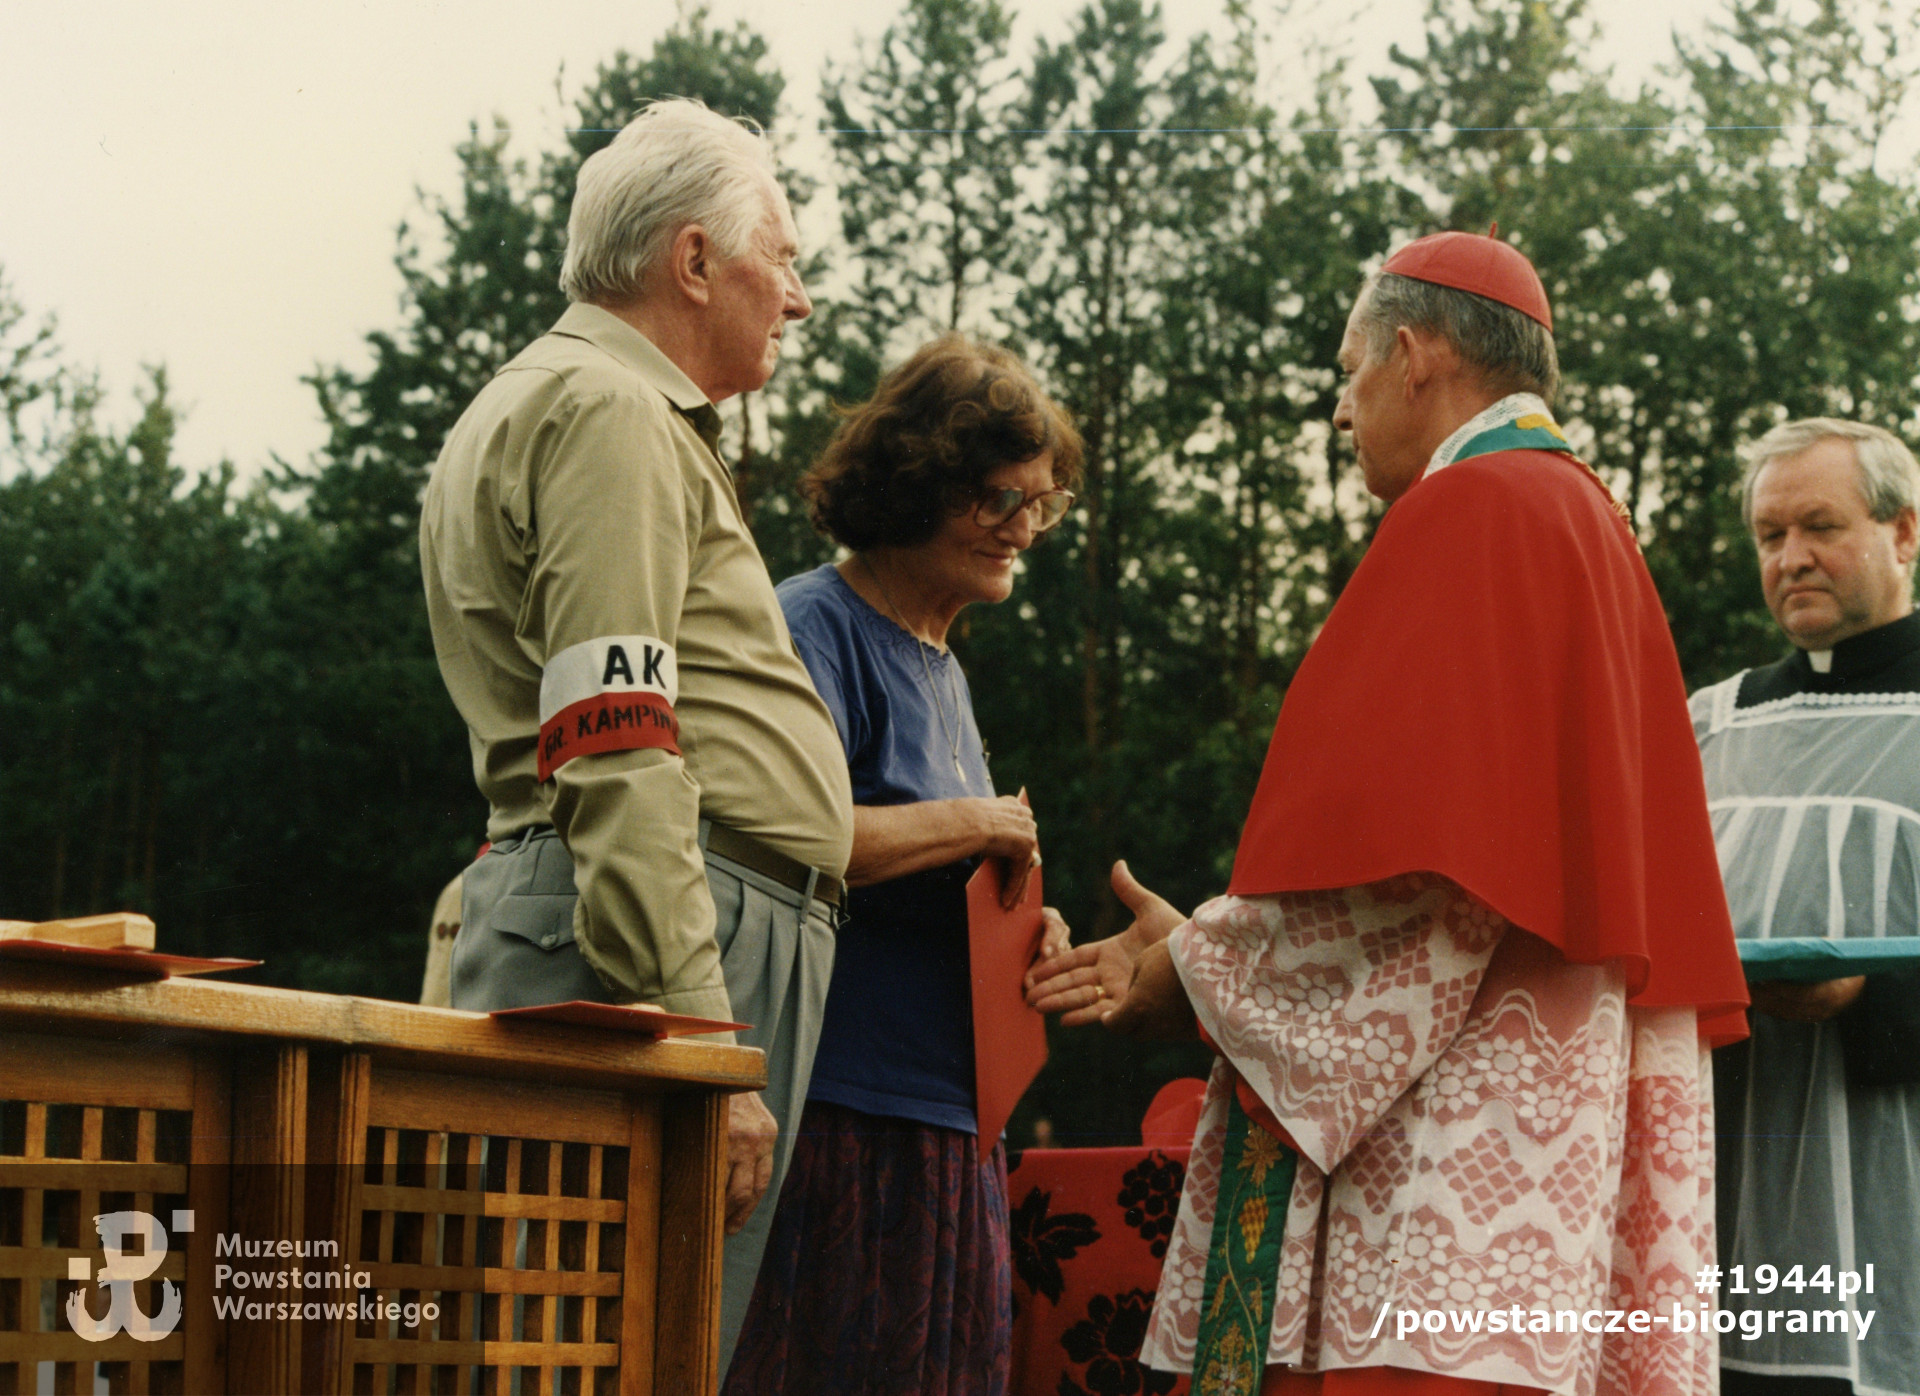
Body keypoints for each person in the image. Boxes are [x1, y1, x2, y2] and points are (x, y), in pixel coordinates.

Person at [1029, 230, 1748, 1395]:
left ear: (1414, 354)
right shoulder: (1586, 519)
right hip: (1545, 1135)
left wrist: (1194, 967)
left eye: (1349, 369)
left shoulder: (1478, 512)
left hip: (1451, 1169)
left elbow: (1407, 890)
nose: (1339, 409)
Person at [417, 99, 854, 1369]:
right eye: (785, 252)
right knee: (611, 1351)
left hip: (638, 917)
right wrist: (704, 1037)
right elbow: (613, 740)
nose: (801, 295)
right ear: (694, 258)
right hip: (654, 933)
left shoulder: (569, 399)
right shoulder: (608, 410)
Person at [724, 335, 1078, 1396]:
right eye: (1000, 498)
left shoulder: (946, 669)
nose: (1024, 529)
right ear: (915, 484)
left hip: (952, 1127)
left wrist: (1024, 929)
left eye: (1042, 504)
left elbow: (948, 866)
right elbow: (799, 835)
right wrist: (975, 822)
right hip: (843, 1117)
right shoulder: (807, 627)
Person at [1691, 419, 1920, 1396]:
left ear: (1905, 532)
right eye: (1769, 536)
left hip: (1893, 1186)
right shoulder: (1707, 724)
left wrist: (1869, 995)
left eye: (1820, 526)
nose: (1791, 559)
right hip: (1719, 1188)